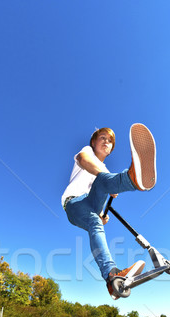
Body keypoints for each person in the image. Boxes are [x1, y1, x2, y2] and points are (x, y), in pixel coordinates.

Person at [61, 125, 156, 299]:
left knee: (95, 221)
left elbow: (101, 191)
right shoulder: (87, 152)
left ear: (111, 149)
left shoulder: (105, 171)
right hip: (74, 203)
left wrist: (100, 216)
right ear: (93, 142)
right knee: (103, 180)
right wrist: (110, 181)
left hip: (92, 206)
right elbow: (83, 160)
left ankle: (113, 279)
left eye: (110, 140)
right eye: (102, 138)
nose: (106, 141)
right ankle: (131, 178)